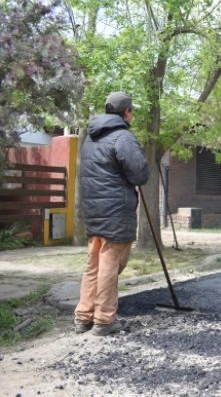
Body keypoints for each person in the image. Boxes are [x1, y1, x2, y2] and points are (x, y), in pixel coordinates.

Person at [75, 91, 149, 336]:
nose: (133, 114)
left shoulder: (90, 137)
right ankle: (105, 320)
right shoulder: (123, 137)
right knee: (110, 264)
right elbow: (139, 175)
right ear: (126, 112)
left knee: (94, 264)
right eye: (132, 110)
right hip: (116, 212)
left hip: (94, 211)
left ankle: (83, 317)